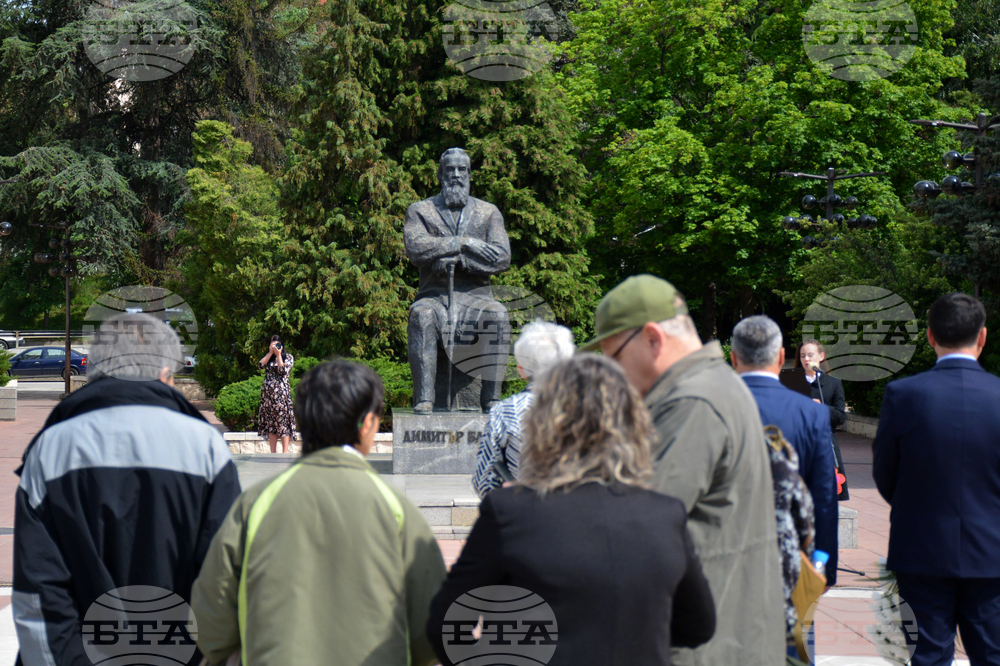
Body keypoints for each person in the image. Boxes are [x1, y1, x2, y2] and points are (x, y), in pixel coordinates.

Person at [428, 354, 716, 666]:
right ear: (632, 427)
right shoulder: (665, 514)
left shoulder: (510, 512)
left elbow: (446, 624)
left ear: (544, 424)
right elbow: (698, 625)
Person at [13, 313, 241, 666]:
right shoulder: (206, 448)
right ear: (167, 375)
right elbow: (223, 585)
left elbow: (39, 591)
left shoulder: (51, 449)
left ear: (94, 372)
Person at [584, 275, 785, 666]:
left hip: (697, 648)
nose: (612, 371)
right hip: (724, 636)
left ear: (653, 339)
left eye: (613, 356)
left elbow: (635, 531)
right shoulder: (713, 385)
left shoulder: (692, 402)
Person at [192, 360, 446, 666]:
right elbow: (431, 633)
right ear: (367, 424)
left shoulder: (256, 503)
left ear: (301, 418)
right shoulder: (398, 510)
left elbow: (212, 623)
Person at [872, 292, 1000, 666]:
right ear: (982, 337)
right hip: (992, 550)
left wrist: (917, 507)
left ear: (929, 336)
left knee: (927, 655)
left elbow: (885, 471)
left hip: (920, 547)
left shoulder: (903, 394)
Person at [731, 315, 837, 654]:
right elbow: (824, 498)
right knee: (793, 649)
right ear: (780, 358)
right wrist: (824, 568)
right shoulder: (811, 414)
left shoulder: (708, 408)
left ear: (733, 358)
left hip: (725, 561)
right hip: (792, 561)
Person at [404, 147, 512, 413]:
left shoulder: (488, 213)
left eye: (462, 169)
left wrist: (461, 260)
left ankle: (491, 400)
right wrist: (465, 243)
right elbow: (416, 247)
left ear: (470, 174)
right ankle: (425, 399)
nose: (456, 175)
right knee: (422, 315)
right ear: (440, 174)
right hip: (435, 297)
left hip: (477, 299)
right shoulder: (421, 211)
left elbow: (501, 257)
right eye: (449, 169)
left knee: (498, 315)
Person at [471, 320, 575, 497]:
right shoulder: (591, 406)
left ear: (521, 370)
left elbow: (483, 482)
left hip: (526, 514)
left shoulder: (505, 411)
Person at [799, 339, 849, 500]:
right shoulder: (792, 382)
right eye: (803, 356)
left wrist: (822, 408)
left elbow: (841, 417)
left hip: (825, 442)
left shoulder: (832, 384)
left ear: (821, 356)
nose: (806, 359)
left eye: (810, 355)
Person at [258, 334, 294, 453]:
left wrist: (278, 355)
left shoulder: (288, 357)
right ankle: (272, 452)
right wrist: (270, 353)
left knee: (282, 422)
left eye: (277, 344)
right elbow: (260, 365)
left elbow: (283, 371)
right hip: (268, 396)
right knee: (271, 423)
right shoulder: (269, 359)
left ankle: (284, 453)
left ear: (282, 345)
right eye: (273, 344)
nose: (275, 347)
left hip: (281, 395)